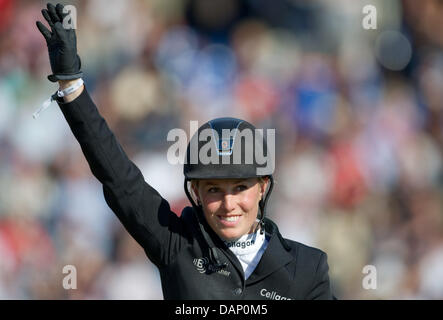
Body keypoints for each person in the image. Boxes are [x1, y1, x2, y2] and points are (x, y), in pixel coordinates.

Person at [36, 3, 334, 300]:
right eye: (215, 189)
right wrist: (71, 85)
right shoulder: (177, 246)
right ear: (196, 192)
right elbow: (119, 178)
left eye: (240, 187)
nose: (229, 204)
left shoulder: (306, 268)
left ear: (262, 188)